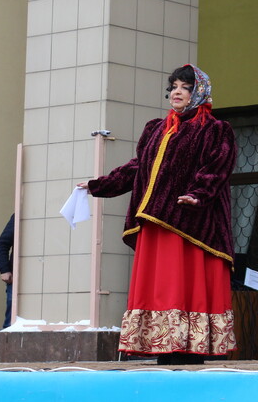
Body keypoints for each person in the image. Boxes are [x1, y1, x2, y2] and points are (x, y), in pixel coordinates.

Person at [81, 64, 237, 364]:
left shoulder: (215, 129)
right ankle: (165, 348)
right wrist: (98, 185)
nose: (177, 92)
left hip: (193, 225)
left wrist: (197, 194)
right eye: (174, 86)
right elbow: (137, 168)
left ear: (199, 92)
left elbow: (217, 168)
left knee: (186, 286)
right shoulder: (156, 128)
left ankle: (189, 352)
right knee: (163, 288)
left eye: (185, 87)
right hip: (156, 223)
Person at [0, 213, 14, 328]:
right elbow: (2, 244)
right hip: (17, 277)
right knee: (11, 321)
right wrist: (4, 270)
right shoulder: (20, 215)